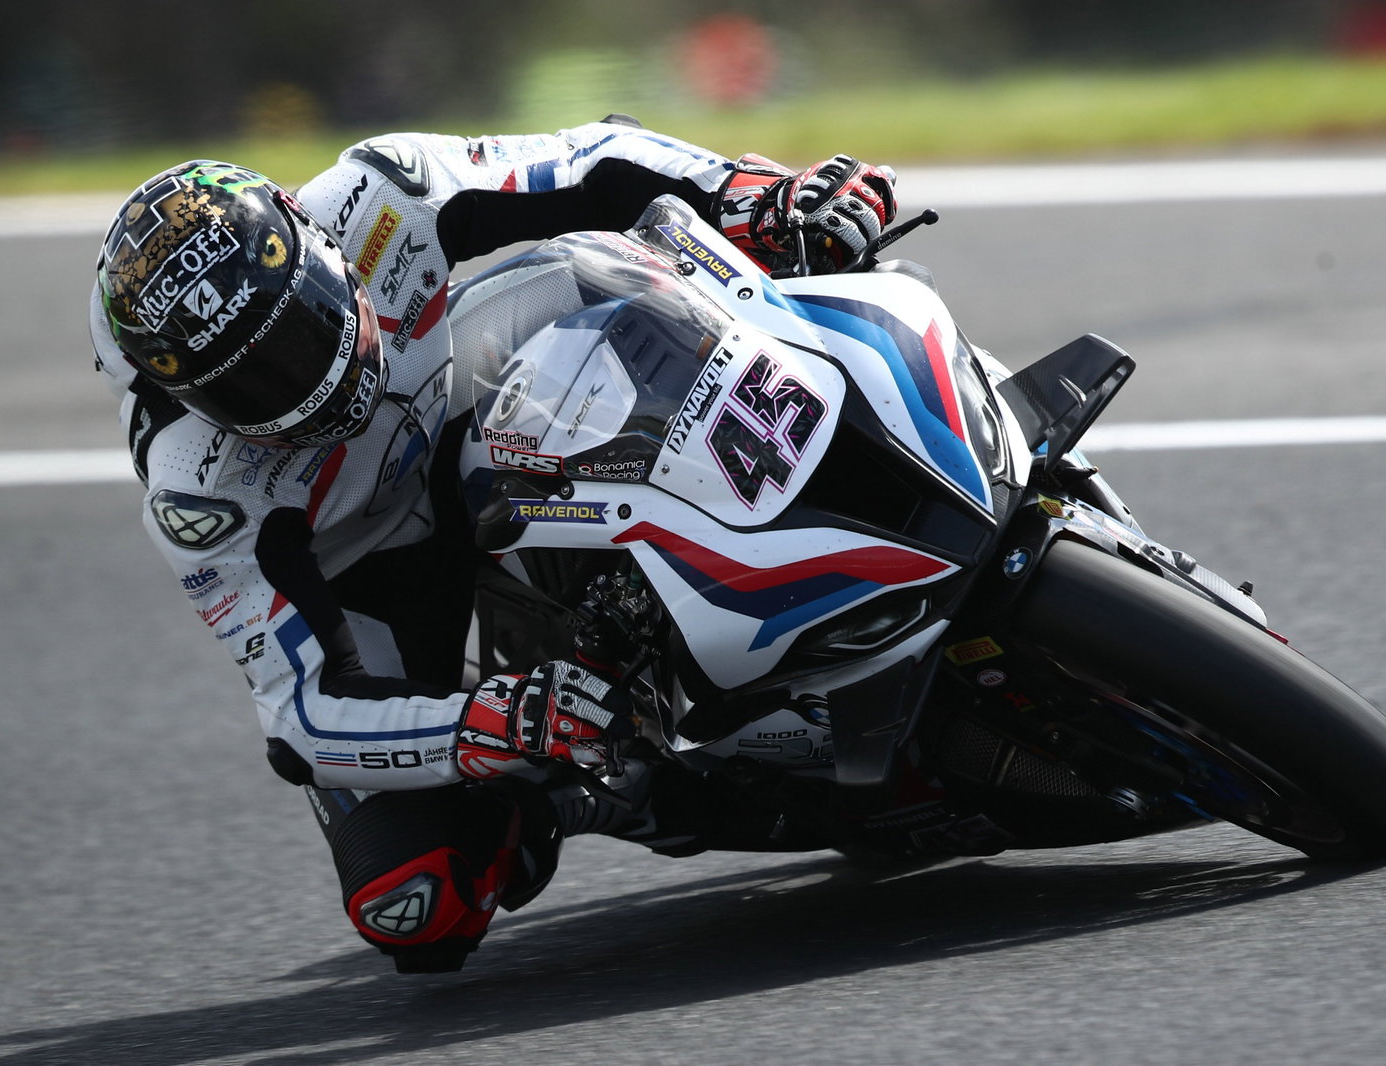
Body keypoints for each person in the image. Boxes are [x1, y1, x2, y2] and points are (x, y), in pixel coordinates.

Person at [89, 116, 897, 973]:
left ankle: (891, 404)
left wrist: (754, 196)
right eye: (258, 380)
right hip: (372, 566)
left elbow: (593, 159)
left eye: (307, 325)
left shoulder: (380, 195)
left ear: (317, 243)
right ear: (192, 399)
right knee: (411, 899)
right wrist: (488, 723)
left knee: (760, 248)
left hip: (468, 391)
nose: (303, 382)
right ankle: (589, 795)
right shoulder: (197, 488)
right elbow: (306, 713)